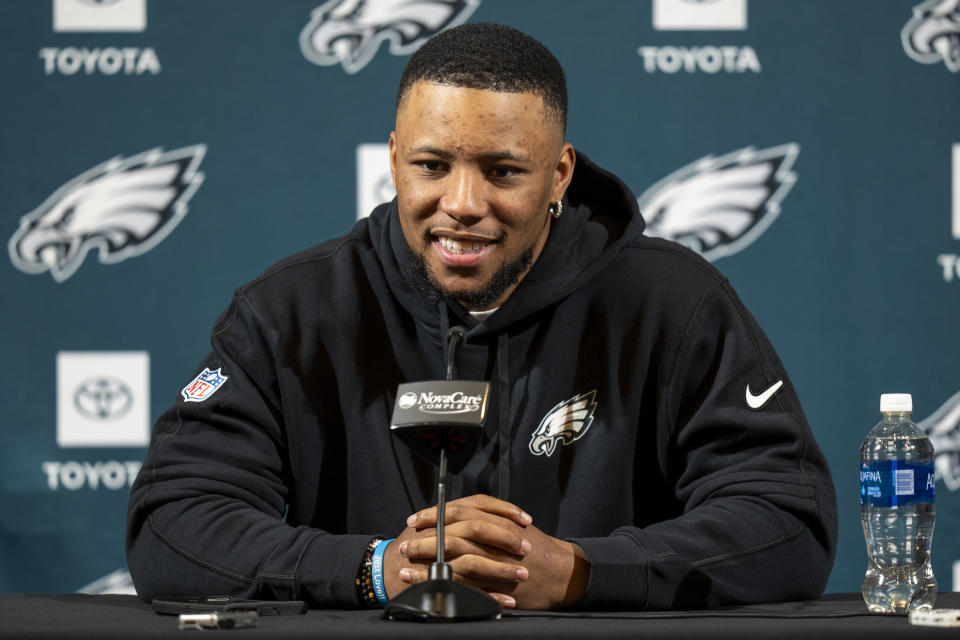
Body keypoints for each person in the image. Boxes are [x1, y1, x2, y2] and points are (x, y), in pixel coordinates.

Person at [126, 23, 837, 611]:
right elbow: (174, 522)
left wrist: (585, 572)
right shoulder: (290, 311)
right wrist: (374, 569)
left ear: (559, 174)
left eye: (502, 171)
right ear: (396, 160)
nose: (463, 203)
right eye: (432, 166)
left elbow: (786, 520)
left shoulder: (674, 303)